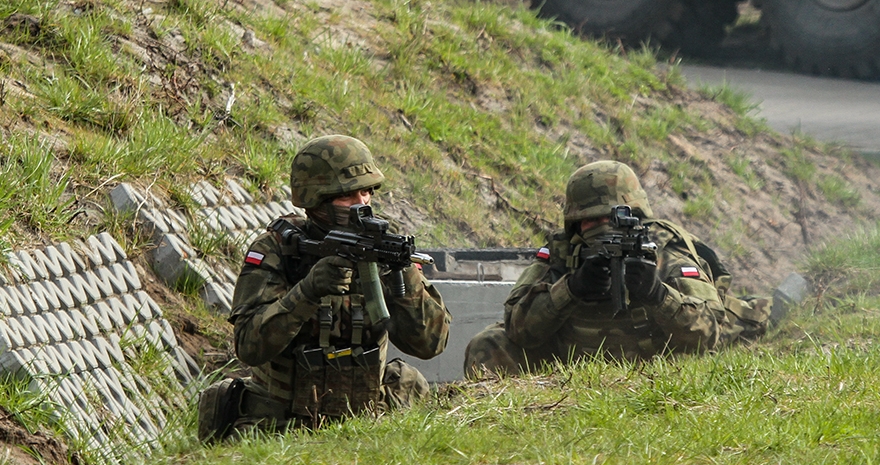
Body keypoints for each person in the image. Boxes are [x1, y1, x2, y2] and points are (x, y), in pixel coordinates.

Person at [199, 135, 450, 441]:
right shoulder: (279, 250)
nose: (361, 205)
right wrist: (307, 292)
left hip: (370, 416)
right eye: (347, 197)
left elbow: (430, 344)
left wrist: (401, 274)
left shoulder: (384, 246)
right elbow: (250, 346)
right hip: (282, 423)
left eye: (366, 192)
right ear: (316, 199)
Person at [464, 160, 770, 377]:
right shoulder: (563, 251)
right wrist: (570, 289)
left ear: (635, 216)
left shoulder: (665, 250)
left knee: (728, 339)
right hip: (571, 363)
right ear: (575, 223)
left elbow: (707, 335)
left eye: (611, 219)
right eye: (590, 220)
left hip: (657, 364)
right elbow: (518, 328)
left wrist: (657, 294)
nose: (600, 228)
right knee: (487, 344)